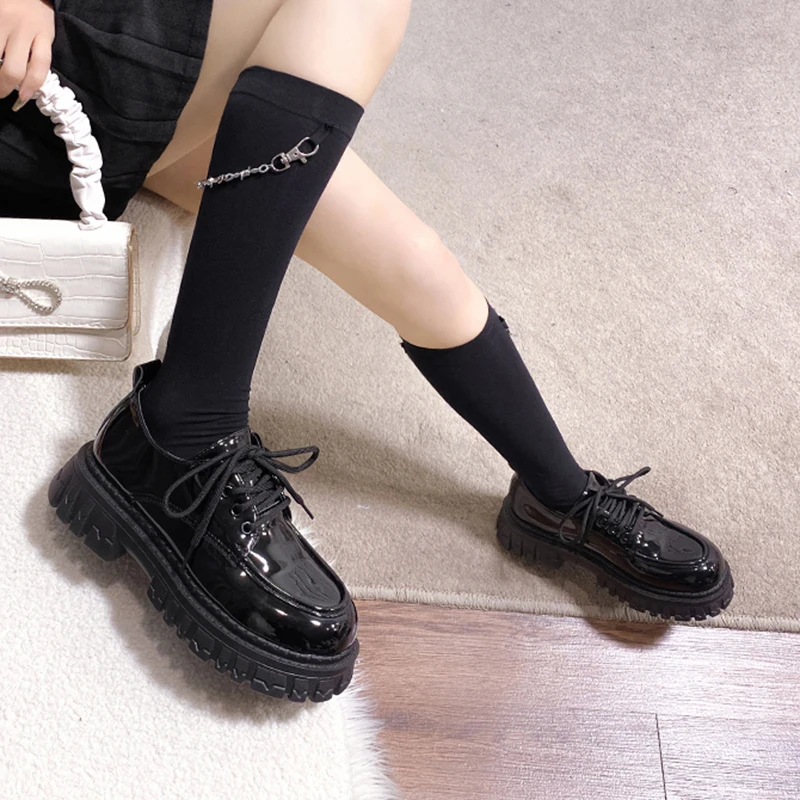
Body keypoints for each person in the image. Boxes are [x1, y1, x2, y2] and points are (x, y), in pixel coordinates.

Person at [1, 0, 733, 703]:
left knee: (415, 263)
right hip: (25, 77)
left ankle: (558, 496)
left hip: (98, 56)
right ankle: (183, 427)